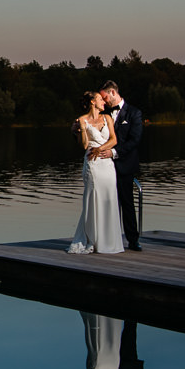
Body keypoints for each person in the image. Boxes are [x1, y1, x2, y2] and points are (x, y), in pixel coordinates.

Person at [68, 91, 124, 254]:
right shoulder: (82, 120)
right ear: (93, 102)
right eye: (100, 99)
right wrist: (82, 130)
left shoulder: (107, 118)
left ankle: (108, 239)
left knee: (109, 199)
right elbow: (85, 146)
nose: (104, 102)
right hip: (92, 165)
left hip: (107, 164)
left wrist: (100, 149)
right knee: (93, 199)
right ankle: (91, 239)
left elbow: (114, 140)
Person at [99, 81, 143, 251]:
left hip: (125, 165)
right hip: (104, 166)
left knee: (127, 203)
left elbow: (135, 140)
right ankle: (106, 239)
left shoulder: (134, 113)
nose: (104, 101)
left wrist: (114, 152)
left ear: (112, 92)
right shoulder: (104, 113)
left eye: (105, 97)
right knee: (105, 202)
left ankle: (133, 240)